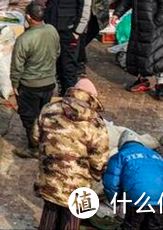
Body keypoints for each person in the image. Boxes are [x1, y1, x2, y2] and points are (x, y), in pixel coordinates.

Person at [32, 79, 109, 230]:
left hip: (50, 177)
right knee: (72, 221)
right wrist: (96, 175)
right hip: (78, 185)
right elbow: (99, 160)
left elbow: (35, 136)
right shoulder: (95, 122)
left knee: (49, 214)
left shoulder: (49, 108)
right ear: (92, 96)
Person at [9, 2, 60, 159]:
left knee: (29, 117)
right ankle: (45, 143)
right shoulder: (52, 30)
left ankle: (34, 148)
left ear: (28, 18)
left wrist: (15, 84)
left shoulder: (24, 39)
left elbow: (17, 66)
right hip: (49, 82)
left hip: (30, 85)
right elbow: (57, 51)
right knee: (44, 114)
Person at [102, 130, 163, 230]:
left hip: (138, 197)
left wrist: (115, 201)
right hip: (161, 201)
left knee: (132, 226)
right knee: (157, 227)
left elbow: (111, 183)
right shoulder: (157, 156)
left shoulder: (120, 156)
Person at [46, 0, 93, 94]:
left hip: (69, 30)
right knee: (56, 64)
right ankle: (61, 91)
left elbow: (85, 7)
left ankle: (70, 97)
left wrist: (77, 32)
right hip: (52, 28)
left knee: (69, 66)